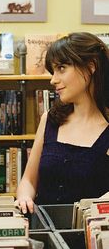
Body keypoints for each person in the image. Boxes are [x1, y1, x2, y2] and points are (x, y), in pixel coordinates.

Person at [16, 32, 109, 213]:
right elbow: (28, 180)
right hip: (43, 232)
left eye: (61, 68)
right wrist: (24, 197)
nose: (53, 80)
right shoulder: (49, 119)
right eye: (53, 71)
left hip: (89, 236)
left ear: (91, 67)